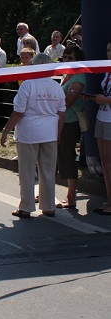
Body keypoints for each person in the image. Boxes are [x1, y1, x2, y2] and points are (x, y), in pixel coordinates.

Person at [0, 53, 66, 218]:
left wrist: (6, 130)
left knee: (27, 171)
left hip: (29, 132)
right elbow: (61, 113)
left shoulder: (28, 85)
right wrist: (58, 132)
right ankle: (49, 206)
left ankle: (27, 207)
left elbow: (18, 112)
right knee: (48, 171)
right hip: (49, 131)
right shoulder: (57, 86)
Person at [57, 45, 86, 209]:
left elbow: (68, 102)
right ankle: (47, 192)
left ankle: (71, 197)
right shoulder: (68, 75)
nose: (66, 60)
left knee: (68, 158)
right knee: (56, 157)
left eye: (70, 58)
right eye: (65, 57)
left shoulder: (79, 77)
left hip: (69, 122)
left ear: (78, 60)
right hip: (61, 121)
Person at [88, 41, 111, 215]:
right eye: (108, 50)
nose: (109, 53)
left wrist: (105, 100)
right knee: (104, 161)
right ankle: (109, 199)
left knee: (109, 161)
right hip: (101, 116)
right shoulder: (106, 70)